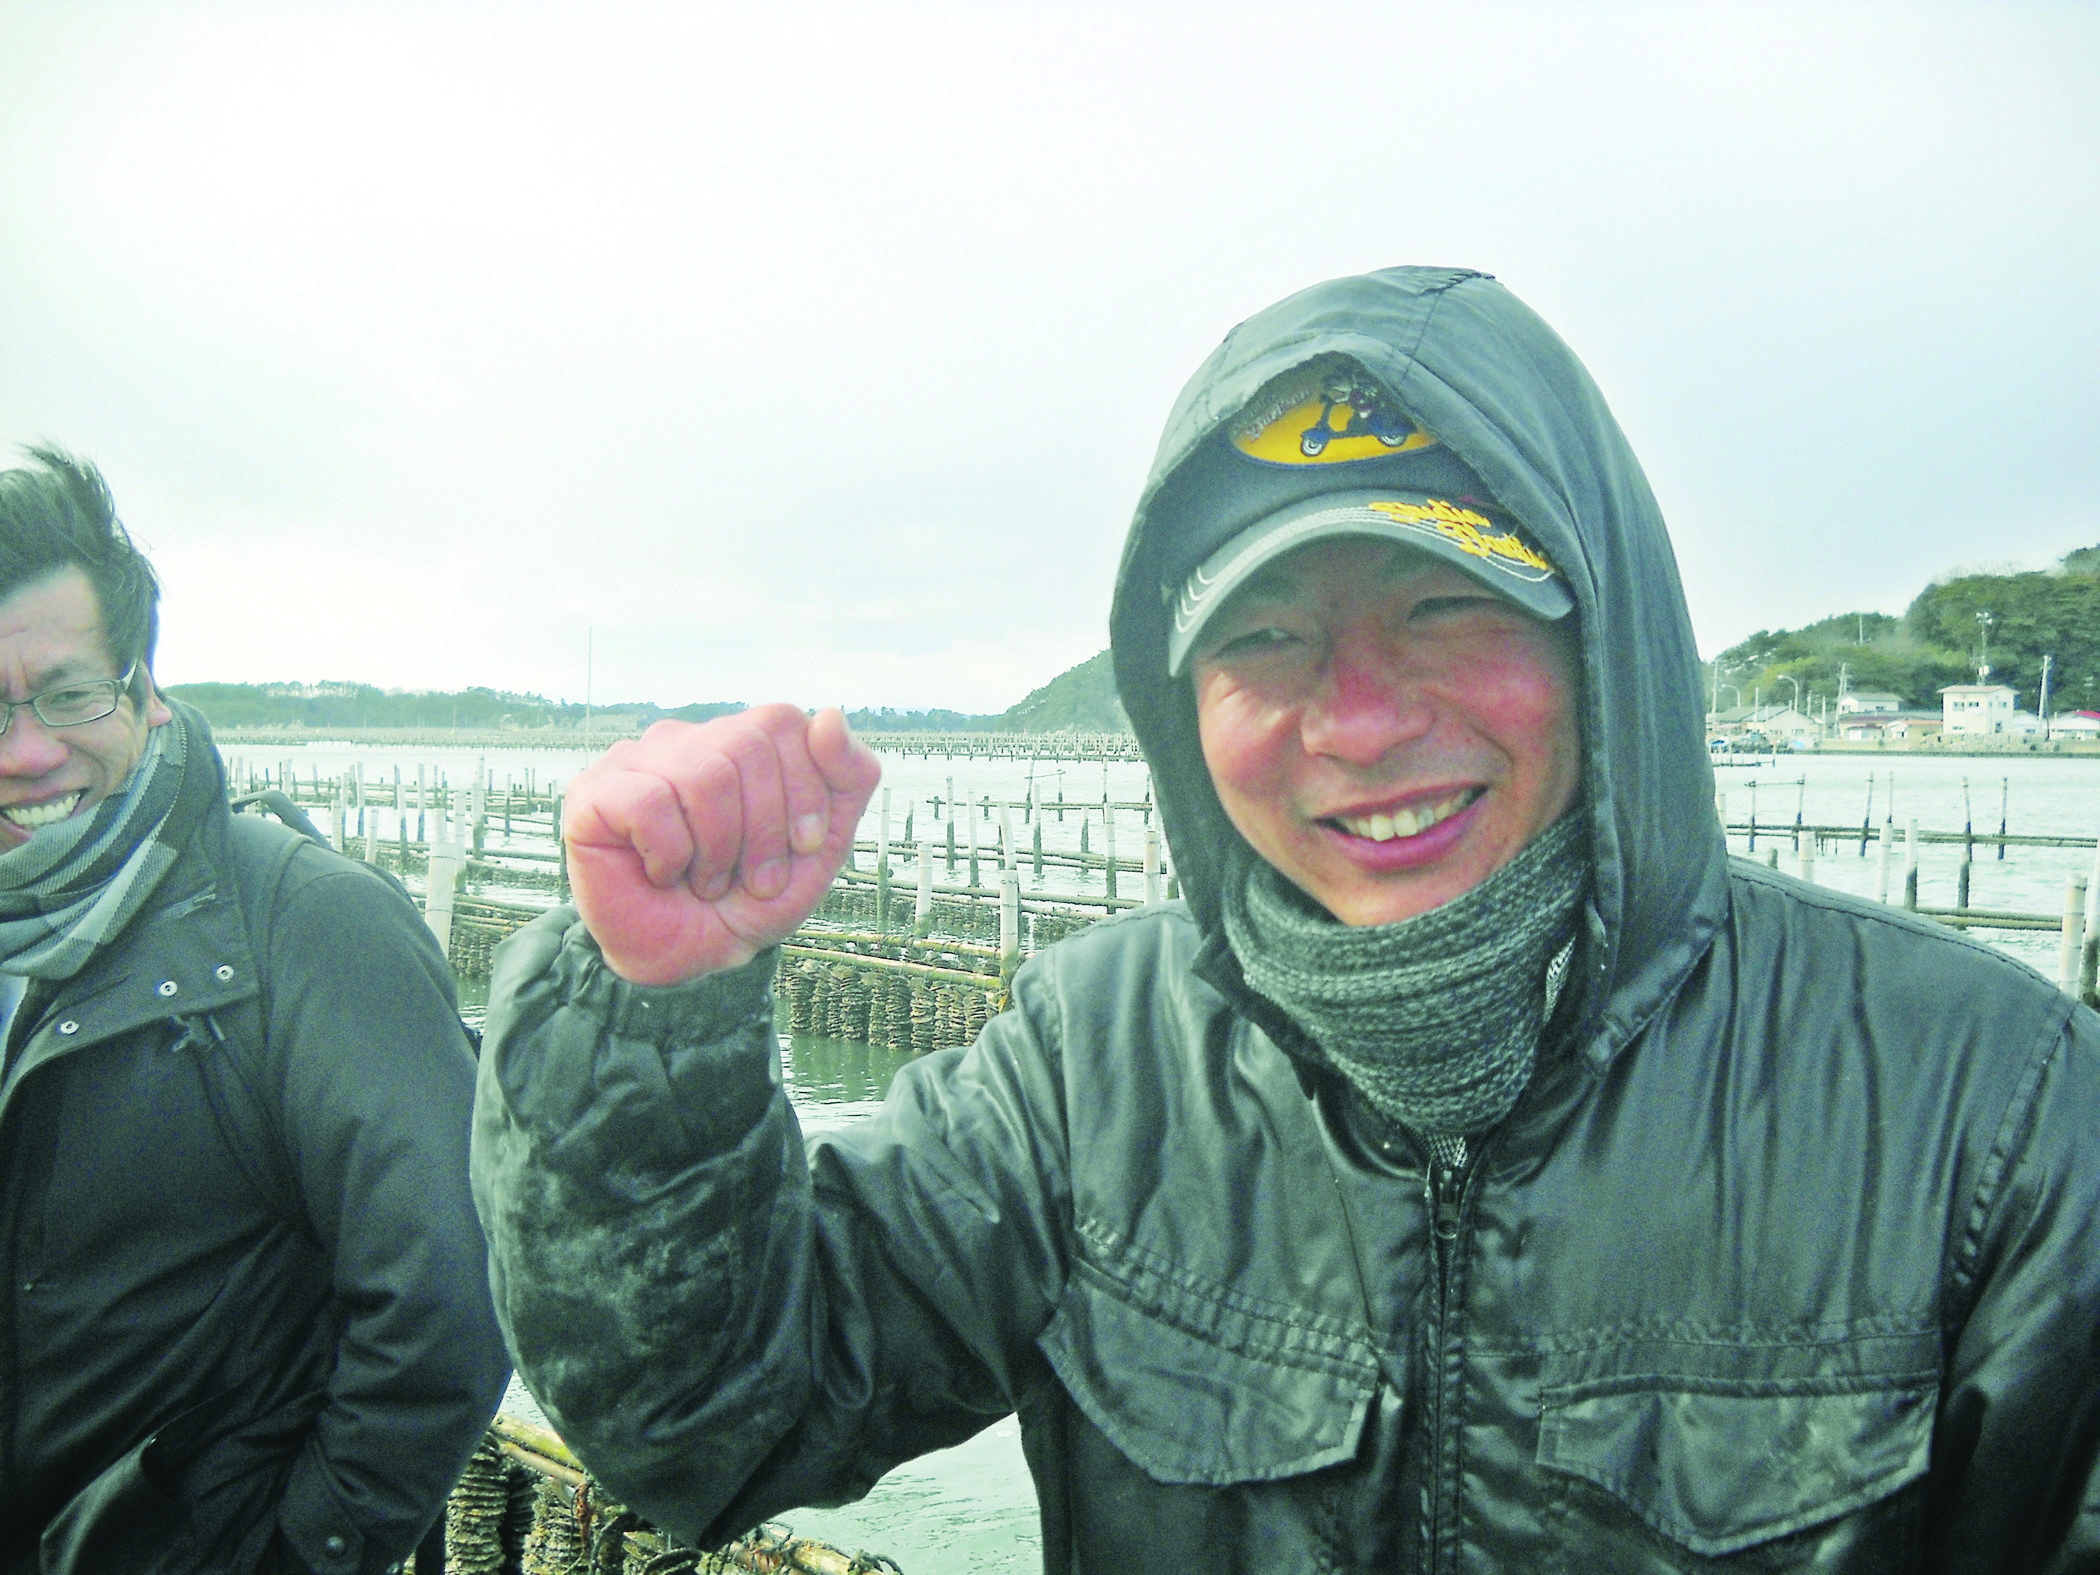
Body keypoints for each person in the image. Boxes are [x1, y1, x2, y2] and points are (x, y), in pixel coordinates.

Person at [470, 268, 2100, 1569]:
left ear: (1605, 637)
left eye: (1444, 602)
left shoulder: (2000, 1106)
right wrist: (653, 1022)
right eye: (1267, 635)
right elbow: (711, 1430)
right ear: (1183, 704)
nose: (1361, 716)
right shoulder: (1082, 1064)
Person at [0, 448, 509, 1575]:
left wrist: (303, 1552)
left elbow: (451, 1305)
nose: (30, 752)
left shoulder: (313, 926)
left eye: (70, 694)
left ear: (144, 689)